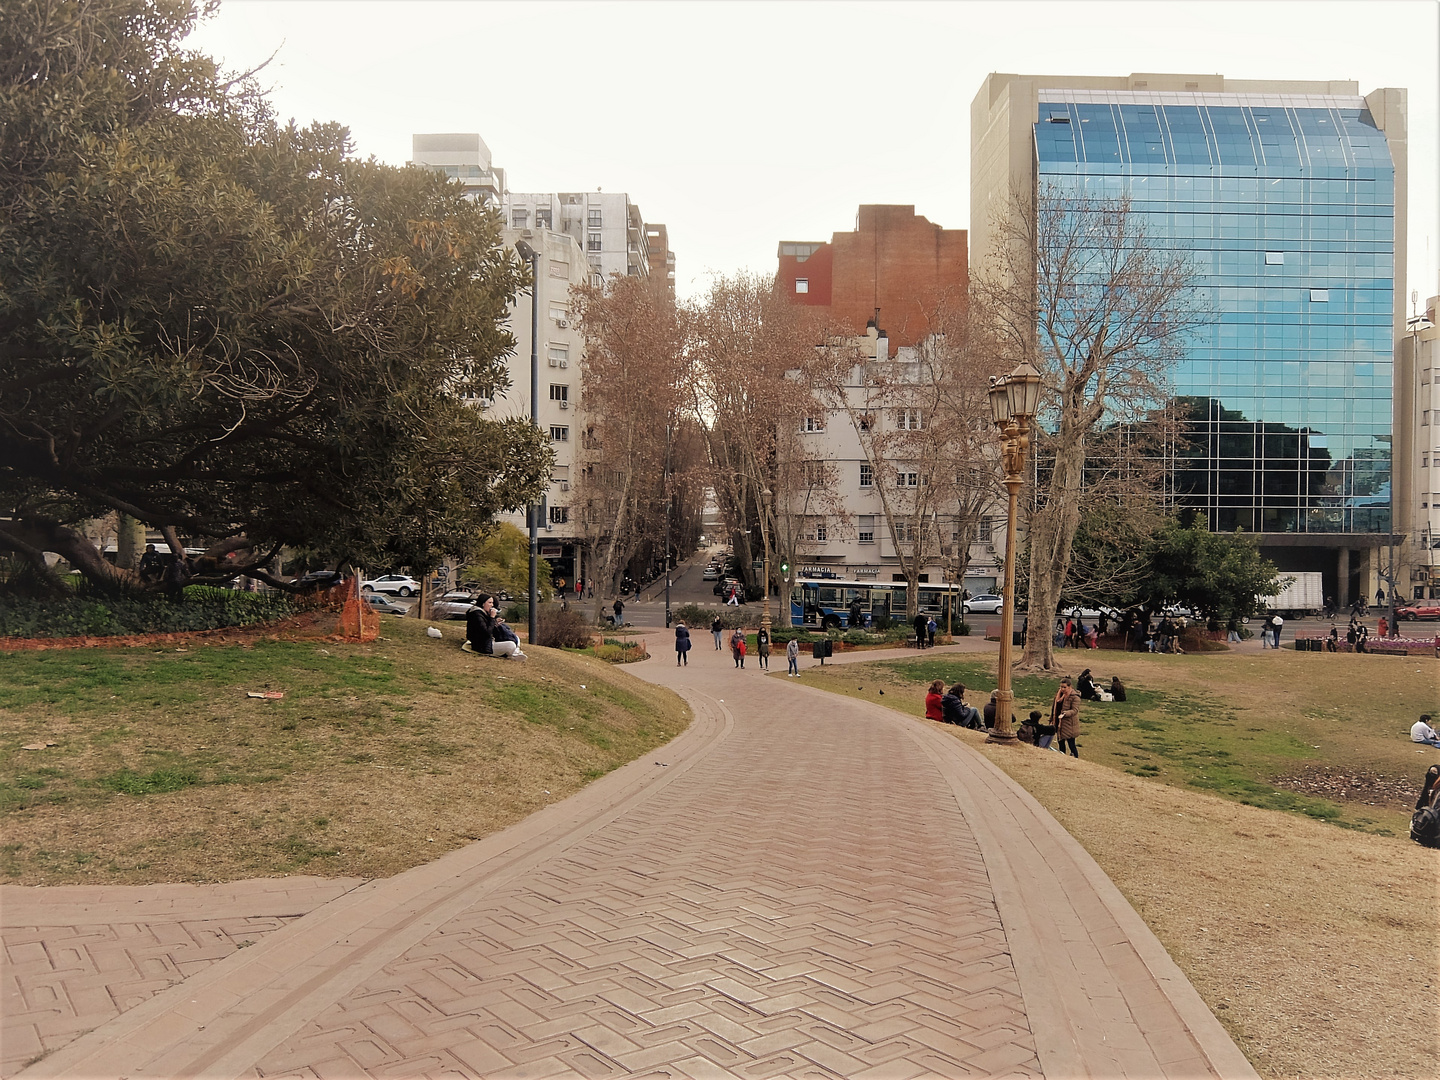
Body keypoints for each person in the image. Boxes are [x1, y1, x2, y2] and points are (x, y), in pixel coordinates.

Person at [1052, 676, 1081, 757]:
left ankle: (1076, 759)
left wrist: (1065, 713)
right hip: (1059, 723)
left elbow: (1075, 710)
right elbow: (1054, 708)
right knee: (1061, 743)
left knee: (1071, 744)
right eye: (1061, 687)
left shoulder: (1075, 697)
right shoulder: (1059, 696)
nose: (1062, 689)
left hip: (1069, 724)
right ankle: (1063, 758)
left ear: (1069, 687)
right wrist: (1052, 719)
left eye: (1064, 687)